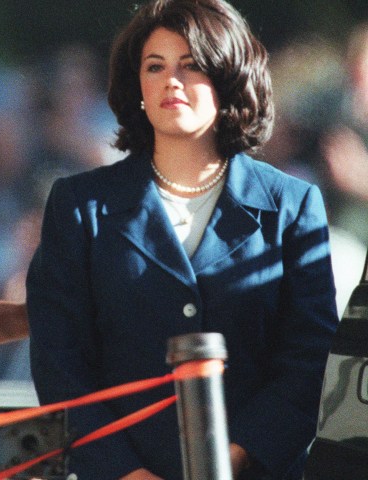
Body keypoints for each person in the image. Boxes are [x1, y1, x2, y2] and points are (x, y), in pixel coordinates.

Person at [26, 1, 339, 479]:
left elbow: (308, 362)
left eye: (191, 66)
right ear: (139, 87)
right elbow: (59, 364)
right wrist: (126, 473)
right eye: (156, 66)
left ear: (229, 78)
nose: (172, 80)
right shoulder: (78, 205)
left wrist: (229, 461)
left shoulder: (293, 205)